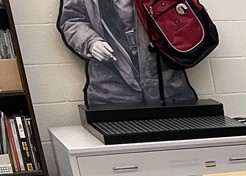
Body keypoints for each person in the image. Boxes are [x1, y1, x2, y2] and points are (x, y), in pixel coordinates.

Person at [57, 0, 197, 107]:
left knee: (175, 139)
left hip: (164, 77)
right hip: (111, 84)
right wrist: (91, 42)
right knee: (120, 139)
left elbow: (183, 10)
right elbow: (72, 19)